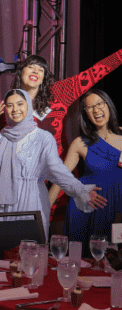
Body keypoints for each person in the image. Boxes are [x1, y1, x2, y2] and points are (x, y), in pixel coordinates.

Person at [0, 89, 107, 237]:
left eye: (20, 104)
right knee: (1, 254)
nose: (15, 109)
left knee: (31, 252)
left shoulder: (42, 138)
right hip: (2, 206)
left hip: (32, 201)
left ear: (28, 105)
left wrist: (80, 190)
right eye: (10, 105)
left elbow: (56, 170)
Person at [48, 89, 122, 249]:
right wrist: (41, 213)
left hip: (117, 209)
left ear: (108, 105)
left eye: (100, 104)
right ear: (85, 114)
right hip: (87, 209)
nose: (96, 110)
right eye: (90, 108)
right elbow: (61, 178)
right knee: (83, 263)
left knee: (114, 264)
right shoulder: (80, 143)